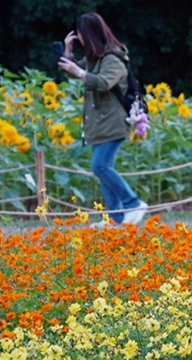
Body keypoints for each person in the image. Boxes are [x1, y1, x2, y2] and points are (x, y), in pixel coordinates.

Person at [57, 13, 148, 226]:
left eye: (80, 32)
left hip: (114, 122)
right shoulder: (94, 58)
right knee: (103, 169)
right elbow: (75, 72)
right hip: (99, 123)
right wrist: (68, 52)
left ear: (89, 34)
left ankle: (133, 203)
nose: (78, 36)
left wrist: (78, 71)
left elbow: (104, 82)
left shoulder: (114, 58)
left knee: (100, 167)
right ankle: (116, 218)